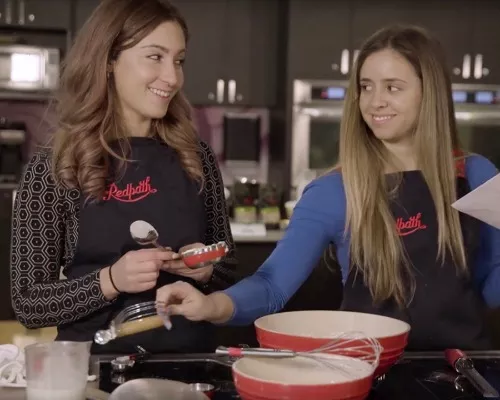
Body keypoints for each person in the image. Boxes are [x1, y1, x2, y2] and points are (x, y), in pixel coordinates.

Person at [156, 25, 500, 351]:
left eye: (392, 87)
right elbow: (272, 286)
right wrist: (211, 304)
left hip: (464, 371)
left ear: (431, 93)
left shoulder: (476, 174)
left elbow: (489, 288)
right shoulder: (333, 190)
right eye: (366, 86)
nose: (374, 101)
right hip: (371, 372)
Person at [10, 0, 237, 355]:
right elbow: (28, 304)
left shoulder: (196, 155)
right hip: (92, 370)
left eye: (178, 60)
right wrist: (110, 281)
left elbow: (230, 268)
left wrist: (206, 269)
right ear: (109, 60)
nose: (173, 77)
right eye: (155, 57)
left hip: (190, 368)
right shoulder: (54, 166)